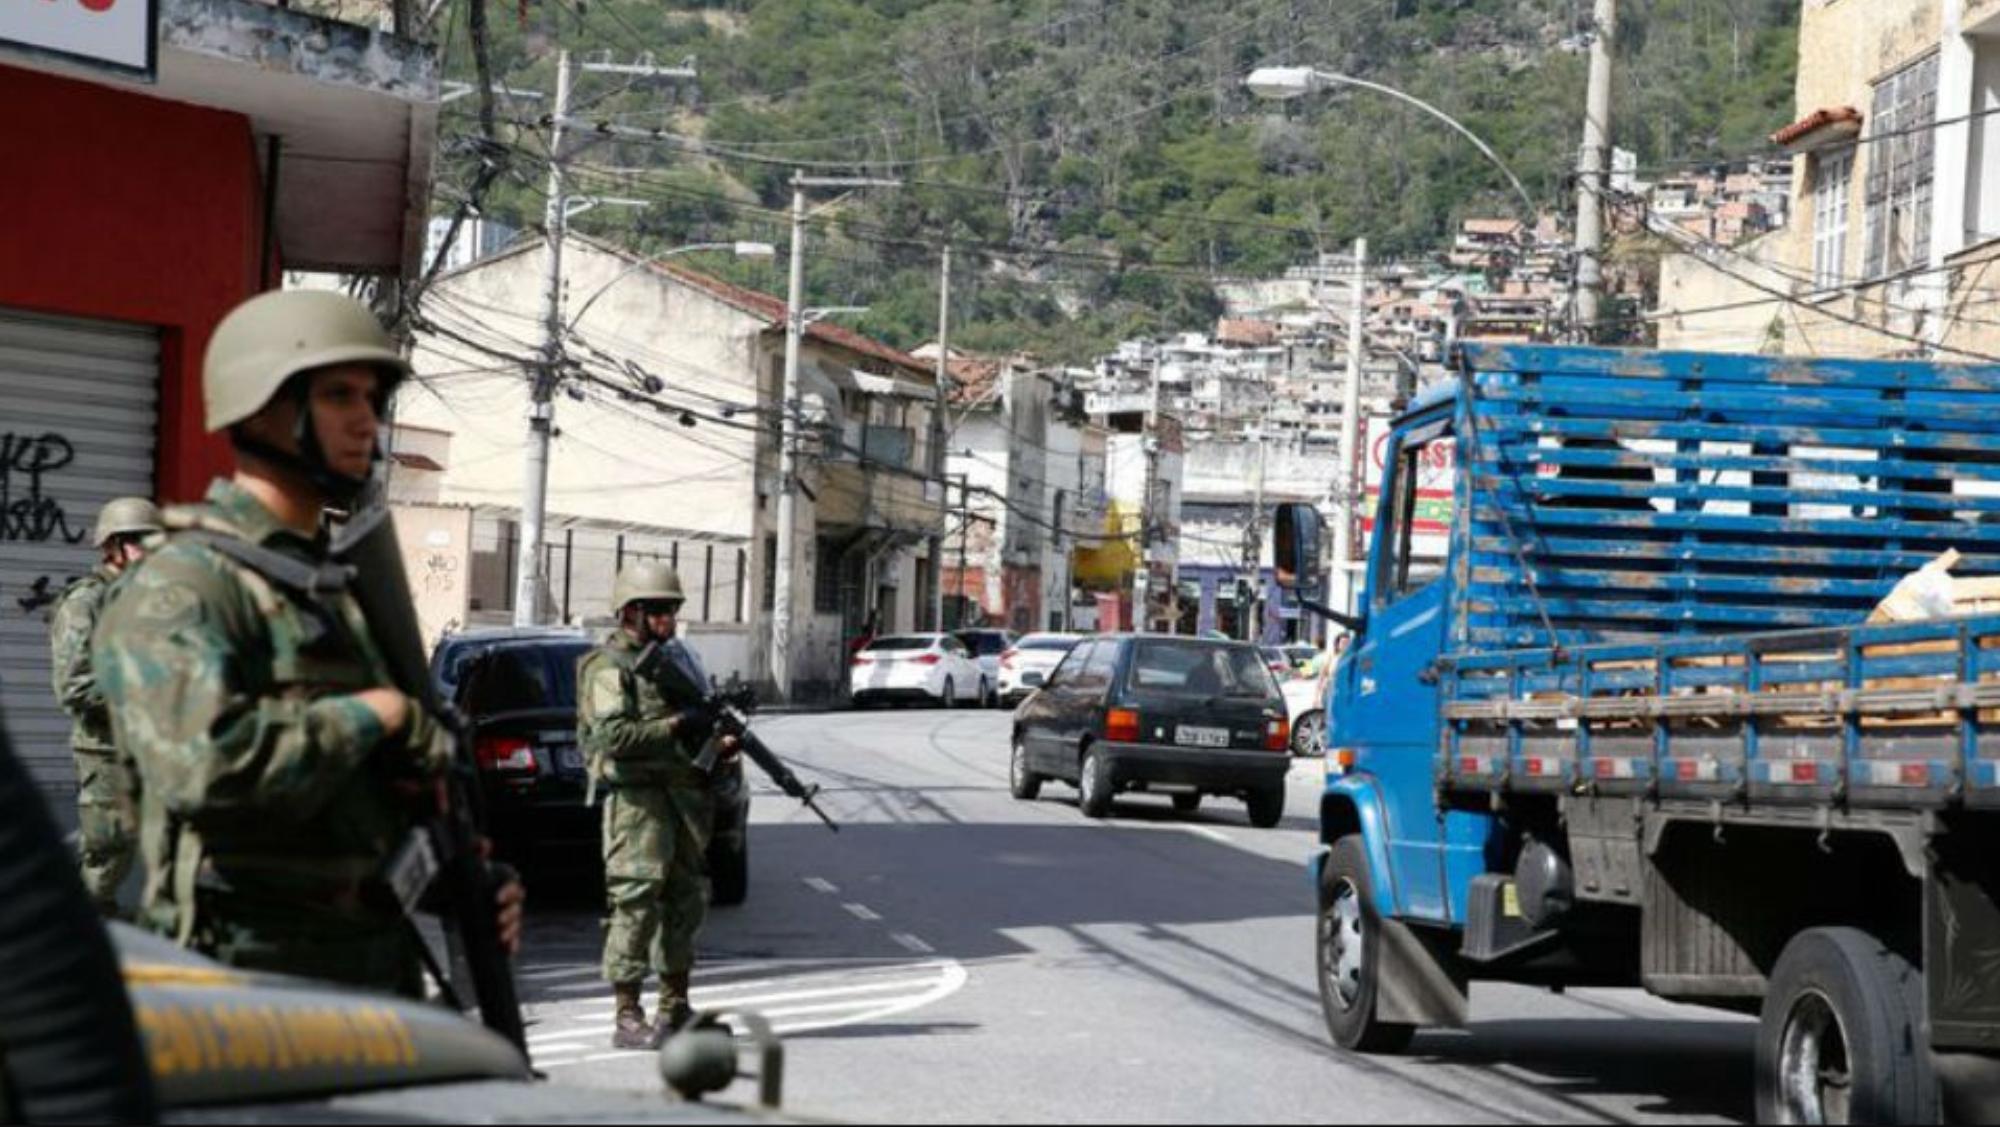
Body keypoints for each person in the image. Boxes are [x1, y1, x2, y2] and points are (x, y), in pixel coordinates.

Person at [91, 290, 523, 995]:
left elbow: (354, 812)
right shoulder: (185, 585)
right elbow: (203, 768)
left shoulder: (336, 588)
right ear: (261, 408)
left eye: (373, 398)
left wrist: (455, 876)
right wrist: (374, 714)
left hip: (370, 975)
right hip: (242, 988)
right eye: (338, 396)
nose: (367, 421)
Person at [578, 560, 737, 1050]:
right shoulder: (608, 669)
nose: (669, 620)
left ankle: (675, 1010)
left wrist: (717, 742)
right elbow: (614, 736)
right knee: (636, 904)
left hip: (684, 799)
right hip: (638, 805)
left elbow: (693, 725)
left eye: (673, 610)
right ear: (631, 612)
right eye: (660, 611)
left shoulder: (675, 661)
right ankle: (627, 1015)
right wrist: (675, 725)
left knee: (685, 904)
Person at [49, 496, 163, 917]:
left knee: (138, 846)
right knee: (105, 851)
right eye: (142, 541)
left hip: (147, 745)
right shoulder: (86, 602)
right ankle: (76, 931)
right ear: (113, 546)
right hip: (105, 748)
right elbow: (74, 687)